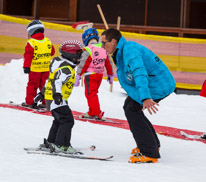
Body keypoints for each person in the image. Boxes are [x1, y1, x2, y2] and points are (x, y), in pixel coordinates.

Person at [101, 28, 176, 163]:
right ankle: (152, 145)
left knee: (132, 109)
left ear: (113, 41)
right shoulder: (122, 50)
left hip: (158, 85)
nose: (102, 47)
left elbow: (140, 73)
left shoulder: (130, 52)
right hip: (154, 83)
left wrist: (145, 97)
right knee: (129, 106)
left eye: (104, 43)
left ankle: (149, 152)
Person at [34, 40, 83, 153]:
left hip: (52, 98)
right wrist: (57, 95)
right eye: (79, 54)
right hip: (57, 99)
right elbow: (56, 82)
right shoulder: (66, 69)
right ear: (71, 54)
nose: (80, 57)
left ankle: (52, 141)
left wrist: (42, 94)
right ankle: (62, 145)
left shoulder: (60, 66)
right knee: (67, 120)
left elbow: (49, 80)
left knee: (59, 119)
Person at [74, 27, 114, 120]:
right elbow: (108, 62)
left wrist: (78, 75)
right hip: (99, 75)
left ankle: (95, 112)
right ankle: (93, 111)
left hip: (90, 76)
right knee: (93, 93)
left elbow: (83, 64)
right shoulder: (103, 48)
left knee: (90, 94)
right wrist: (110, 74)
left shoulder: (88, 49)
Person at [23, 20, 55, 108]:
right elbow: (52, 52)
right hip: (45, 68)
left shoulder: (31, 43)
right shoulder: (48, 41)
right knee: (45, 85)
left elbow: (28, 56)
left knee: (32, 85)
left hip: (35, 69)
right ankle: (45, 102)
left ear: (31, 32)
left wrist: (26, 67)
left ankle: (30, 101)